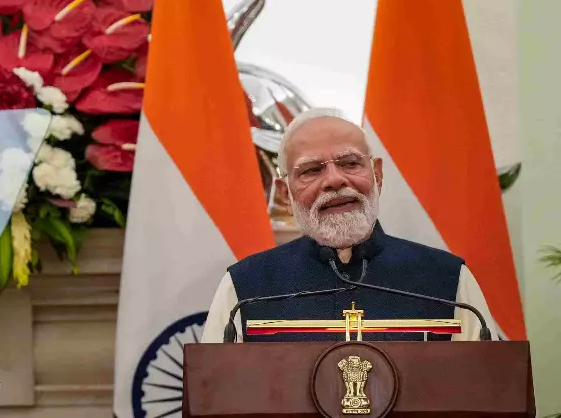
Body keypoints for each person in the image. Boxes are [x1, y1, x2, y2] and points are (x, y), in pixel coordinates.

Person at [200, 107, 497, 343]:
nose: (334, 180)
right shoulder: (244, 288)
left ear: (377, 175)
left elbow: (487, 392)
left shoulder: (448, 280)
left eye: (350, 164)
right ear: (284, 195)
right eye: (311, 170)